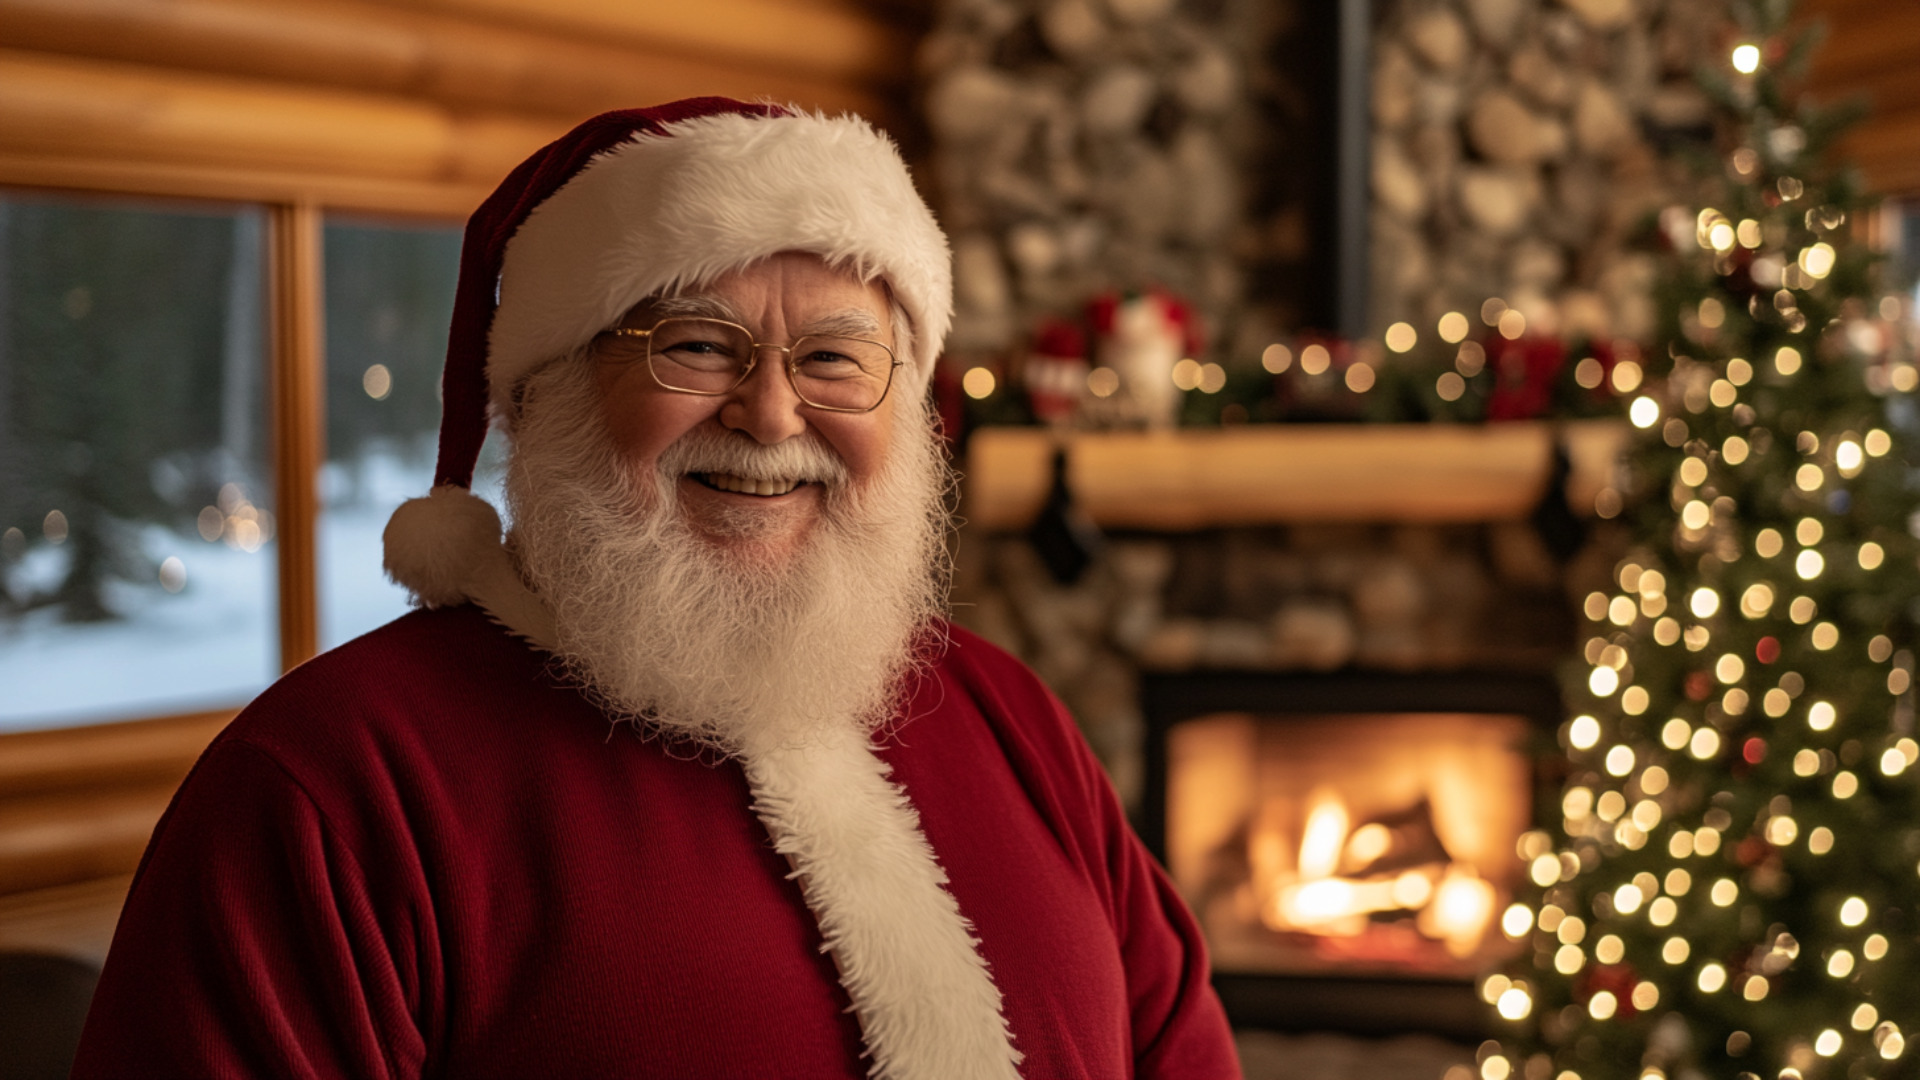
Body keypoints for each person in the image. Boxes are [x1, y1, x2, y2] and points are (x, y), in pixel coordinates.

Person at [73, 98, 1238, 1079]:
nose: (772, 414)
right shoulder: (330, 787)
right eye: (694, 345)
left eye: (834, 357)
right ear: (544, 397)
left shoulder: (1009, 716)